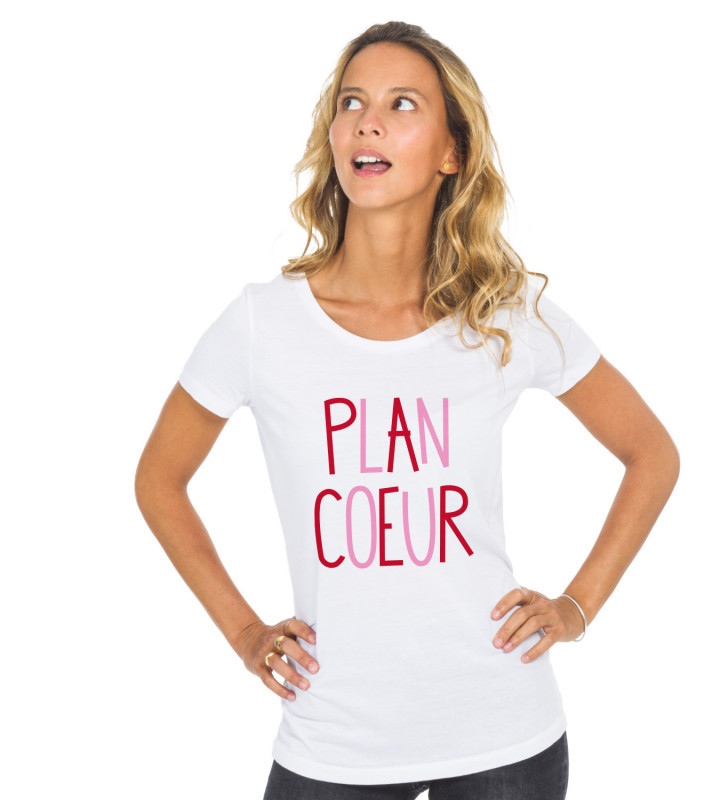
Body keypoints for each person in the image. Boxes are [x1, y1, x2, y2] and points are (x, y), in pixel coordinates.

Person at [134, 20, 680, 800]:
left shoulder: (503, 313)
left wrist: (576, 606)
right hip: (334, 739)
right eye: (352, 102)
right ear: (334, 137)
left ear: (451, 152)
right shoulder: (262, 323)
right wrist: (245, 632)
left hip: (504, 733)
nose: (369, 121)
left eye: (402, 104)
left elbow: (652, 454)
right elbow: (159, 479)